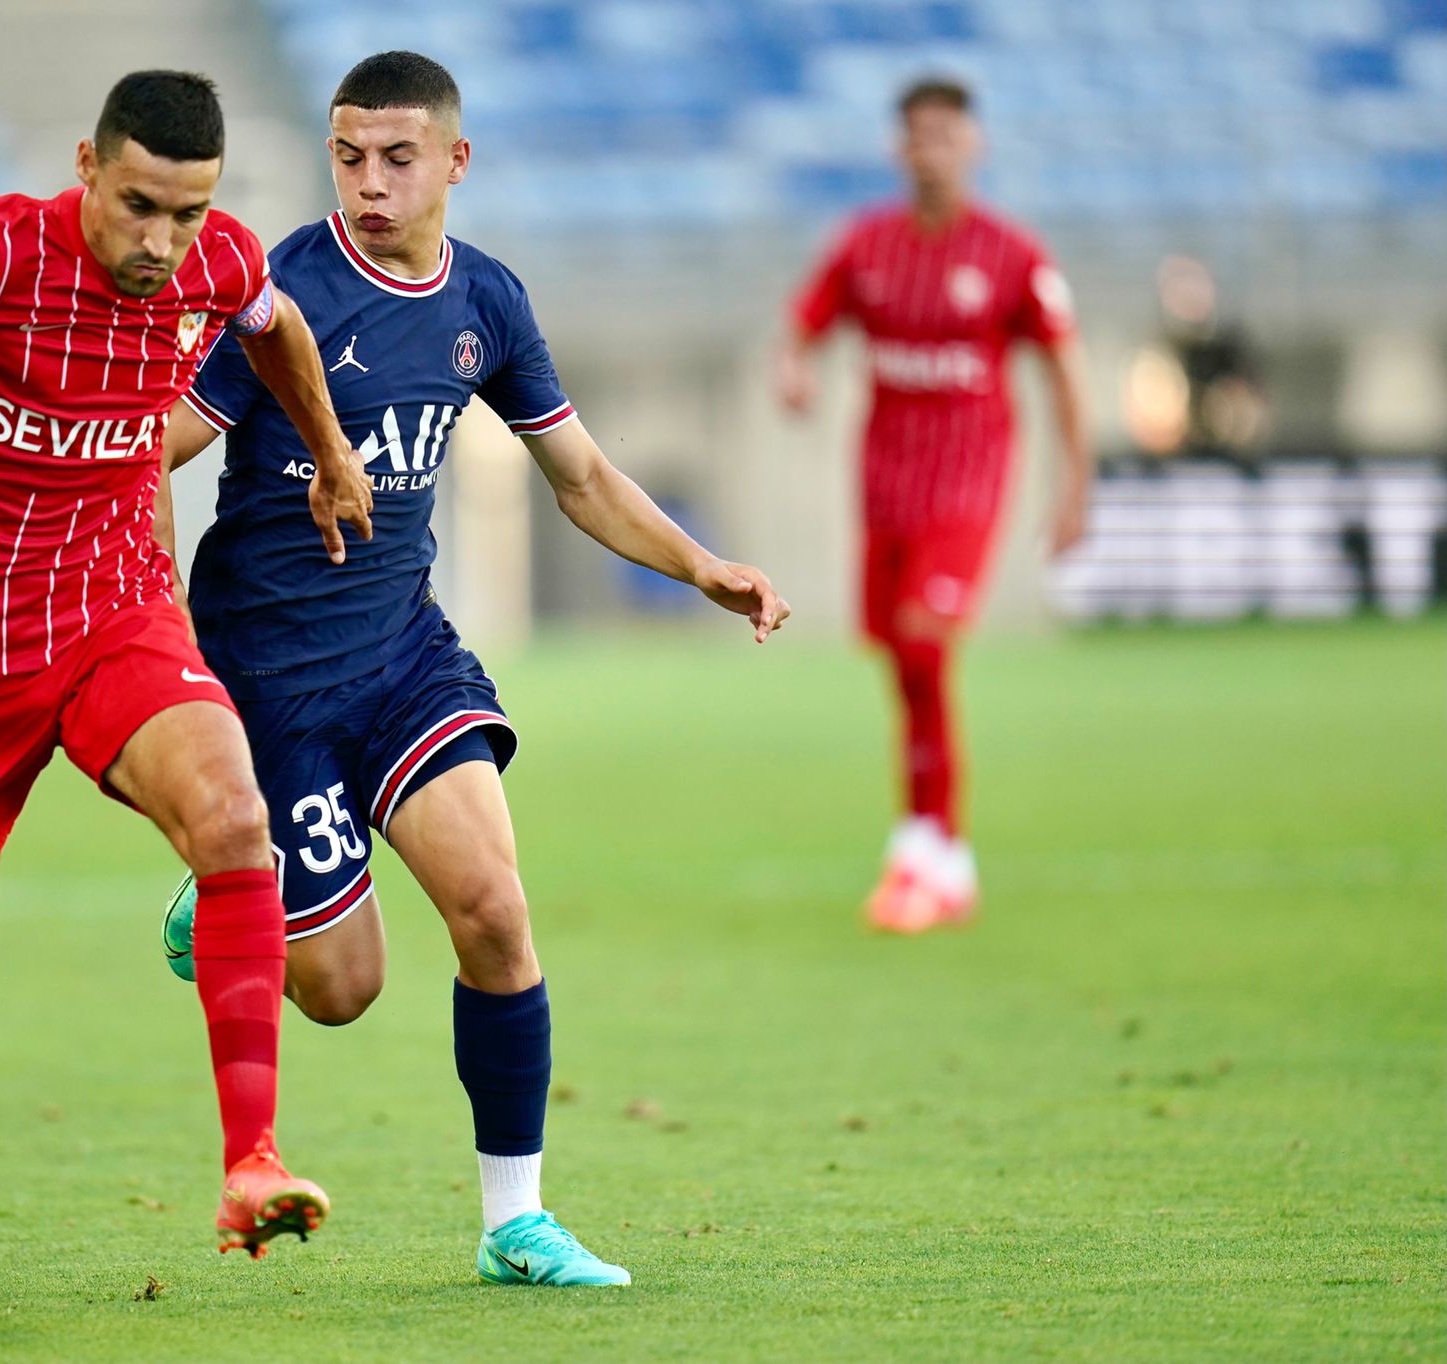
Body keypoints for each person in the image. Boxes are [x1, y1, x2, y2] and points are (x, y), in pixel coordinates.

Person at [153, 51, 790, 1287]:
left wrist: (701, 568)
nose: (369, 184)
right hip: (268, 680)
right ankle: (230, 891)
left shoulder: (484, 302)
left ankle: (514, 1222)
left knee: (496, 910)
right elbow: (158, 446)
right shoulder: (278, 291)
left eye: (396, 158)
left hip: (399, 653)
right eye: (347, 157)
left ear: (454, 159)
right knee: (341, 991)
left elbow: (583, 478)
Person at [0, 70, 375, 1258]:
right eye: (140, 204)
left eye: (187, 213)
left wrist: (330, 452)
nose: (162, 242)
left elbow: (277, 324)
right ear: (87, 167)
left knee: (236, 819)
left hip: (113, 606)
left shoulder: (218, 259)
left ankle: (252, 1160)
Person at [776, 76, 1091, 934]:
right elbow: (804, 319)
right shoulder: (868, 247)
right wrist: (794, 365)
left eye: (947, 134)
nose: (933, 150)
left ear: (974, 144)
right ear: (899, 148)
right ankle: (936, 853)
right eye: (918, 135)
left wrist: (1076, 489)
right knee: (902, 660)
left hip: (968, 485)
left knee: (924, 640)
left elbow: (1064, 369)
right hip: (884, 486)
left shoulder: (1013, 256)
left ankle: (933, 848)